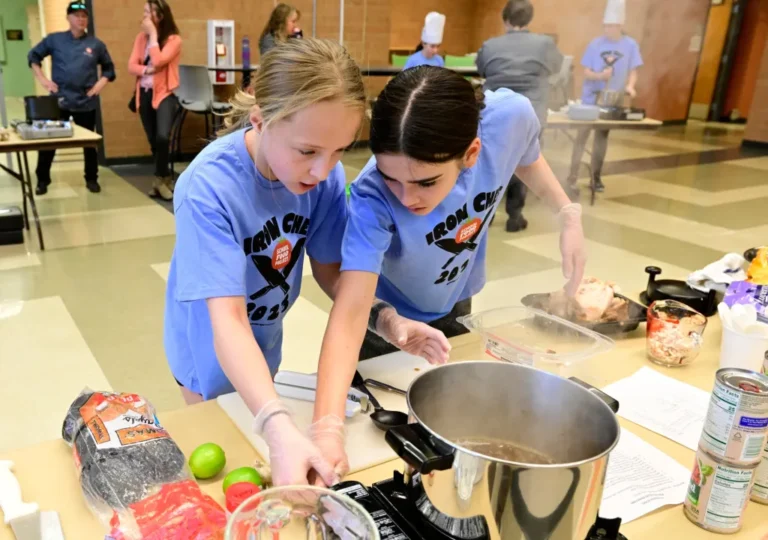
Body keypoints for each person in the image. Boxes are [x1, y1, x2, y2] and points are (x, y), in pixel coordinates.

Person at [164, 39, 441, 486]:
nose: (322, 170)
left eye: (339, 152)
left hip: (265, 332)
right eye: (308, 151)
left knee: (266, 438)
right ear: (260, 120)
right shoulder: (208, 187)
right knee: (225, 456)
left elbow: (332, 274)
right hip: (210, 345)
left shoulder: (324, 177)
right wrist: (276, 423)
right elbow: (228, 319)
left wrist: (386, 320)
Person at [310, 66, 586, 478]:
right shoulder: (371, 197)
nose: (407, 198)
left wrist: (567, 213)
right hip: (389, 321)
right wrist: (327, 429)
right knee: (381, 434)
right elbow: (351, 311)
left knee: (455, 420)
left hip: (456, 297)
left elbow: (525, 156)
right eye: (392, 178)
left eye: (425, 182)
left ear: (472, 153)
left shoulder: (510, 116)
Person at [476, 0, 563, 232]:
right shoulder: (545, 44)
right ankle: (515, 215)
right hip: (531, 113)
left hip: (492, 113)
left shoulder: (490, 45)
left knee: (490, 163)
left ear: (505, 20)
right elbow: (557, 68)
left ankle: (487, 215)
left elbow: (481, 69)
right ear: (529, 20)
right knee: (524, 161)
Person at [28, 1, 115, 195]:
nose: (81, 19)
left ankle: (91, 179)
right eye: (77, 16)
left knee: (88, 143)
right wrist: (44, 80)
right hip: (59, 100)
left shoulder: (95, 44)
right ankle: (42, 180)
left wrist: (99, 85)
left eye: (84, 16)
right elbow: (33, 57)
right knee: (48, 142)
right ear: (68, 18)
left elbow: (109, 69)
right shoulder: (55, 40)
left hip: (85, 101)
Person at [567, 0, 642, 193]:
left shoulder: (630, 45)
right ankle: (572, 176)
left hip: (613, 98)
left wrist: (630, 87)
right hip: (590, 98)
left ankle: (596, 177)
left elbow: (633, 70)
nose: (608, 29)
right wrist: (601, 76)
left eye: (612, 26)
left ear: (620, 26)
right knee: (581, 136)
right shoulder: (596, 44)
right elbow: (587, 72)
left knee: (602, 138)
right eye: (606, 26)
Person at [128, 0, 181, 201]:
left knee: (162, 137)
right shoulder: (139, 39)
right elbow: (131, 66)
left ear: (160, 16)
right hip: (144, 92)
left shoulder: (174, 40)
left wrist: (153, 36)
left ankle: (159, 181)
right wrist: (146, 70)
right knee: (153, 142)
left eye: (147, 12)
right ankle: (164, 179)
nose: (144, 17)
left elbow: (159, 60)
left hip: (165, 94)